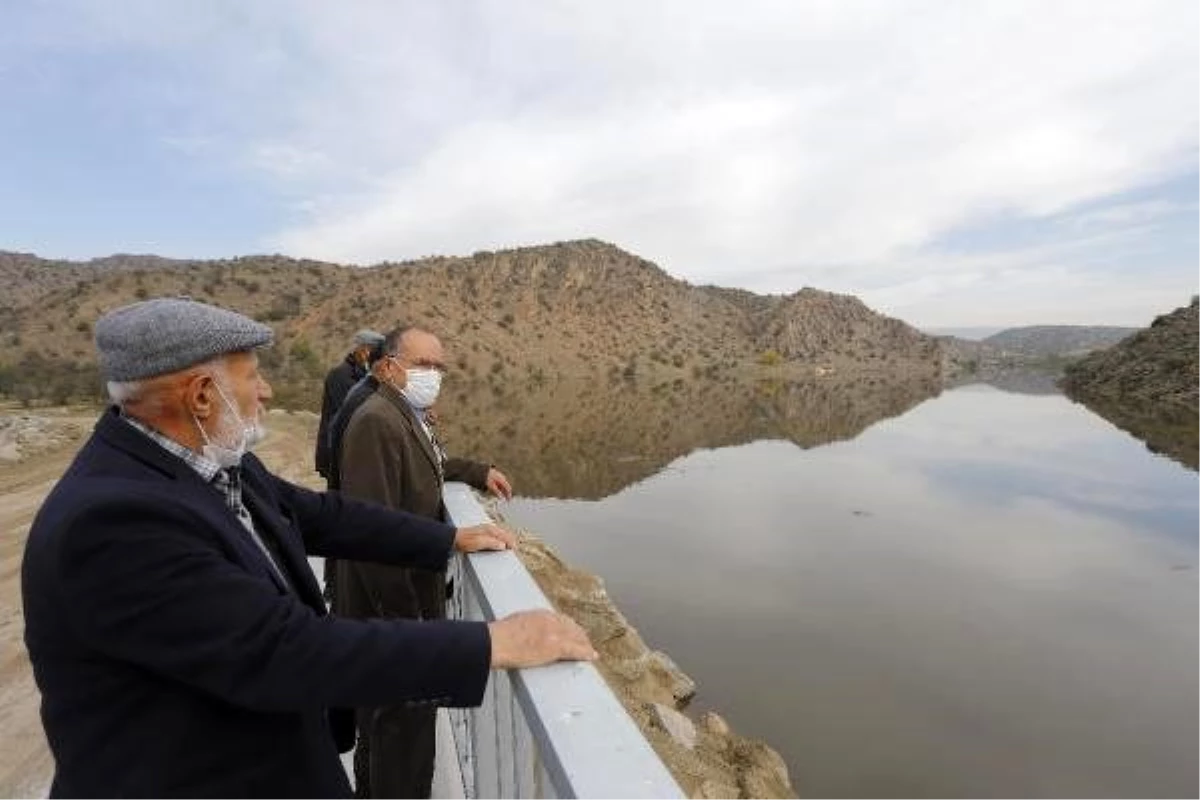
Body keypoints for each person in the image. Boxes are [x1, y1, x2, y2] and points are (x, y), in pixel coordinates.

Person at [21, 298, 595, 800]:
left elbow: (320, 514)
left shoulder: (210, 463)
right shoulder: (114, 522)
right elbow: (281, 651)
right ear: (200, 395)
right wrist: (489, 642)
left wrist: (445, 537)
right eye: (253, 376)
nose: (266, 389)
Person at [336, 325, 513, 800]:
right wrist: (411, 629)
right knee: (399, 739)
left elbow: (432, 466)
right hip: (391, 613)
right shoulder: (376, 420)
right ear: (390, 366)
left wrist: (478, 472)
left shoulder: (403, 414)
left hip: (400, 613)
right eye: (423, 364)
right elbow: (369, 533)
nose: (433, 374)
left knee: (393, 734)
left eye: (439, 366)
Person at [316, 329, 384, 602]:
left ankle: (336, 582)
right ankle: (334, 583)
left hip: (341, 455)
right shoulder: (342, 378)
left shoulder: (356, 377)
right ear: (364, 351)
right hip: (337, 457)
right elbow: (347, 420)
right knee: (340, 517)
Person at [316, 329, 384, 481]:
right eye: (374, 353)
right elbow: (349, 414)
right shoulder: (340, 375)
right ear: (364, 350)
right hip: (337, 451)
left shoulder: (362, 376)